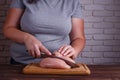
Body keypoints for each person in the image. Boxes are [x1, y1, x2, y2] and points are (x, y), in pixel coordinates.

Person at [3, 0, 85, 64]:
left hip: (59, 63)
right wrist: (27, 38)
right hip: (21, 63)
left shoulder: (73, 2)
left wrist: (74, 50)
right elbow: (8, 29)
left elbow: (78, 38)